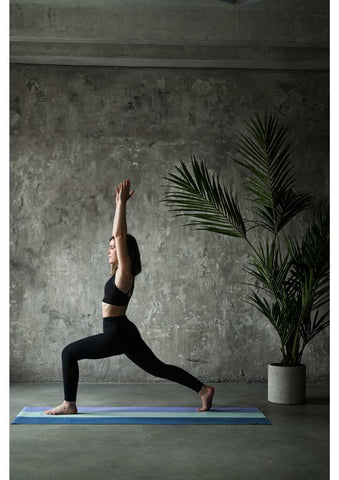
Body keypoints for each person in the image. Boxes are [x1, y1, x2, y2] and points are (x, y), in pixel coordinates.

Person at [45, 179, 215, 415]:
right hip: (124, 331)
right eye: (110, 246)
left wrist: (121, 204)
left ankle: (68, 404)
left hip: (116, 333)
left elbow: (121, 234)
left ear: (125, 252)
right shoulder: (119, 275)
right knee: (158, 368)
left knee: (68, 353)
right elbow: (118, 238)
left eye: (112, 247)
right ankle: (203, 389)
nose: (109, 249)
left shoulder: (125, 273)